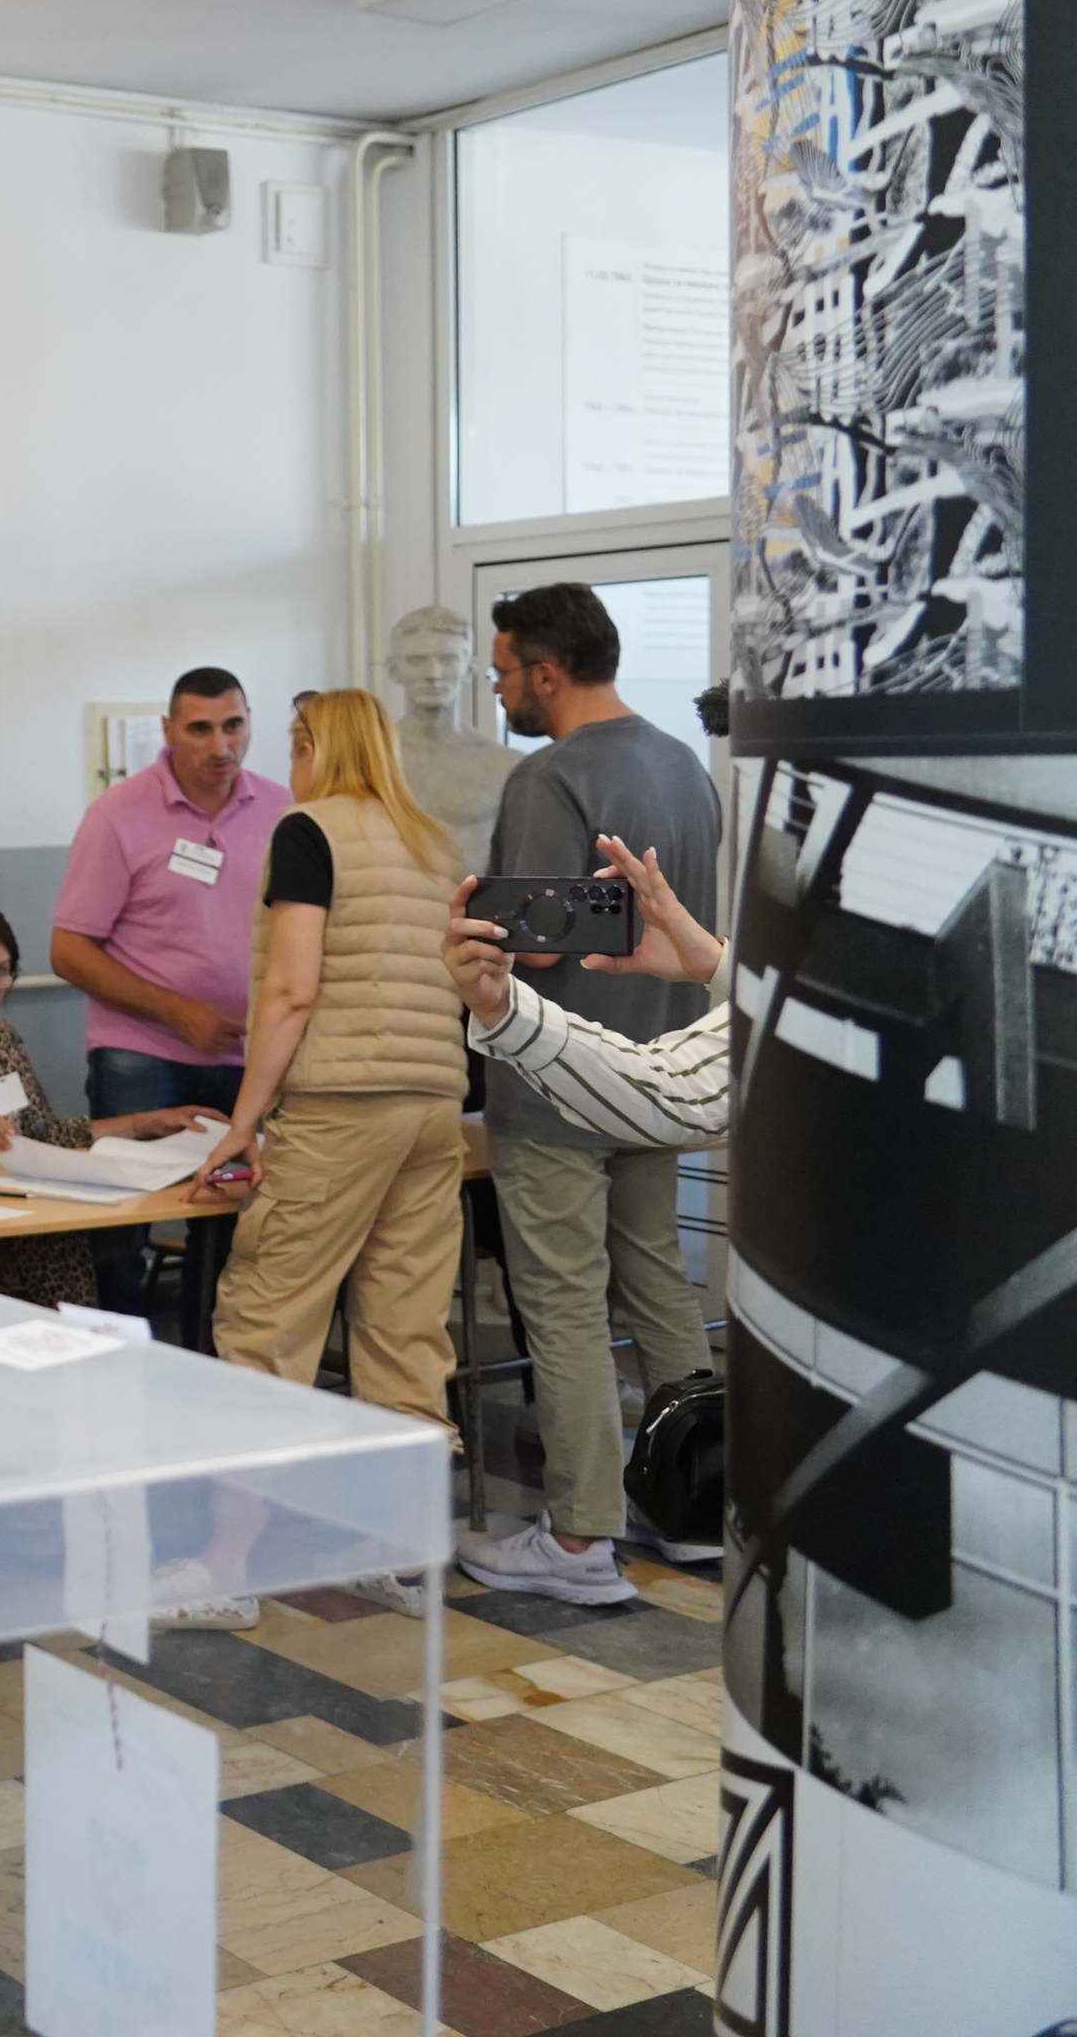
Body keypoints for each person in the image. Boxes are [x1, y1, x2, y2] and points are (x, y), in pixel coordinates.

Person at [461, 581, 723, 1606]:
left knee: (564, 1305)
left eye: (503, 673)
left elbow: (519, 944)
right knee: (658, 1283)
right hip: (660, 1077)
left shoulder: (550, 779)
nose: (498, 692)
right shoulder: (683, 766)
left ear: (547, 671)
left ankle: (579, 1543)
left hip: (558, 1087)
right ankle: (695, 1508)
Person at [180, 690, 466, 1624]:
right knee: (405, 1331)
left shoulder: (309, 831)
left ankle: (227, 1571)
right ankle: (398, 1556)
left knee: (265, 1324)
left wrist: (242, 1123)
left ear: (310, 746)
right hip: (433, 1110)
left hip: (340, 1106)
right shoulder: (433, 842)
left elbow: (294, 991)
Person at [50, 668, 292, 1313]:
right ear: (167, 731)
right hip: (141, 1057)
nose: (221, 747)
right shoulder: (117, 816)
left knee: (241, 1228)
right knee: (121, 1228)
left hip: (250, 1059)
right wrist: (177, 1013)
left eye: (234, 725)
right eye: (201, 729)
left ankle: (220, 1370)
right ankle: (121, 1367)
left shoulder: (283, 809)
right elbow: (69, 952)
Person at [0, 902, 217, 1306]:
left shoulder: (2, 1038)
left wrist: (143, 1123)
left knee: (65, 1242)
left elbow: (42, 1134)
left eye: (0, 972)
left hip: (18, 1215)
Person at [445, 836, 730, 1147]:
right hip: (599, 1093)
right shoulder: (701, 789)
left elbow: (683, 1094)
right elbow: (683, 1092)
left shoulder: (546, 788)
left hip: (552, 1116)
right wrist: (720, 966)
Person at [387, 603, 522, 867]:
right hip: (390, 905)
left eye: (447, 660)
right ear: (394, 670)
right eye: (417, 660)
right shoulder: (368, 761)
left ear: (469, 669)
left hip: (476, 907)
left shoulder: (505, 766)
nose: (433, 674)